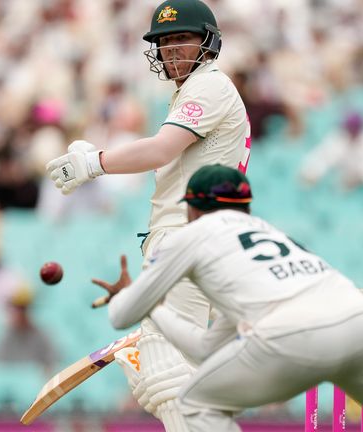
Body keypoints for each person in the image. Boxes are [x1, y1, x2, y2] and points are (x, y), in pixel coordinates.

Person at [91, 164, 363, 432]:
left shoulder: (193, 234)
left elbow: (122, 315)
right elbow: (204, 349)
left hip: (292, 334)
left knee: (193, 403)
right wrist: (161, 311)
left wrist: (131, 297)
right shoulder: (270, 234)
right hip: (358, 321)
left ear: (193, 209)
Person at [44, 1, 251, 429]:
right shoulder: (192, 91)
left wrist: (93, 163)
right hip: (195, 237)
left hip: (188, 237)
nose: (172, 50)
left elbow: (160, 149)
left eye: (182, 39)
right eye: (165, 42)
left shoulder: (209, 86)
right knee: (174, 380)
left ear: (208, 43)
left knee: (164, 376)